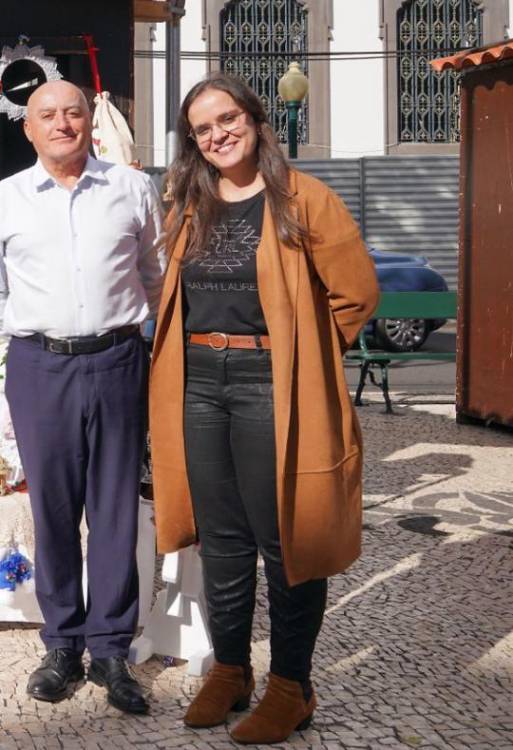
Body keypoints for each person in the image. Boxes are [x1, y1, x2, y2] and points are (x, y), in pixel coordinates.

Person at [148, 73, 378, 744]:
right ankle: (229, 670)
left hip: (270, 380)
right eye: (201, 128)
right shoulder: (189, 204)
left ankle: (290, 686)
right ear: (191, 142)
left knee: (287, 538)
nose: (217, 133)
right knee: (221, 541)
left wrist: (306, 353)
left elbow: (355, 294)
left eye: (227, 118)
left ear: (253, 119)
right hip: (199, 381)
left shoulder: (303, 199)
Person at [0, 80, 165, 715]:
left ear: (90, 122)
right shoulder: (2, 200)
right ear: (28, 129)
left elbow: (156, 275)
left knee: (114, 509)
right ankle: (61, 644)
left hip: (118, 359)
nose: (62, 123)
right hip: (41, 367)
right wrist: (35, 326)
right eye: (47, 115)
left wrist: (136, 338)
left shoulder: (133, 188)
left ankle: (110, 647)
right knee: (52, 509)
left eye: (73, 112)